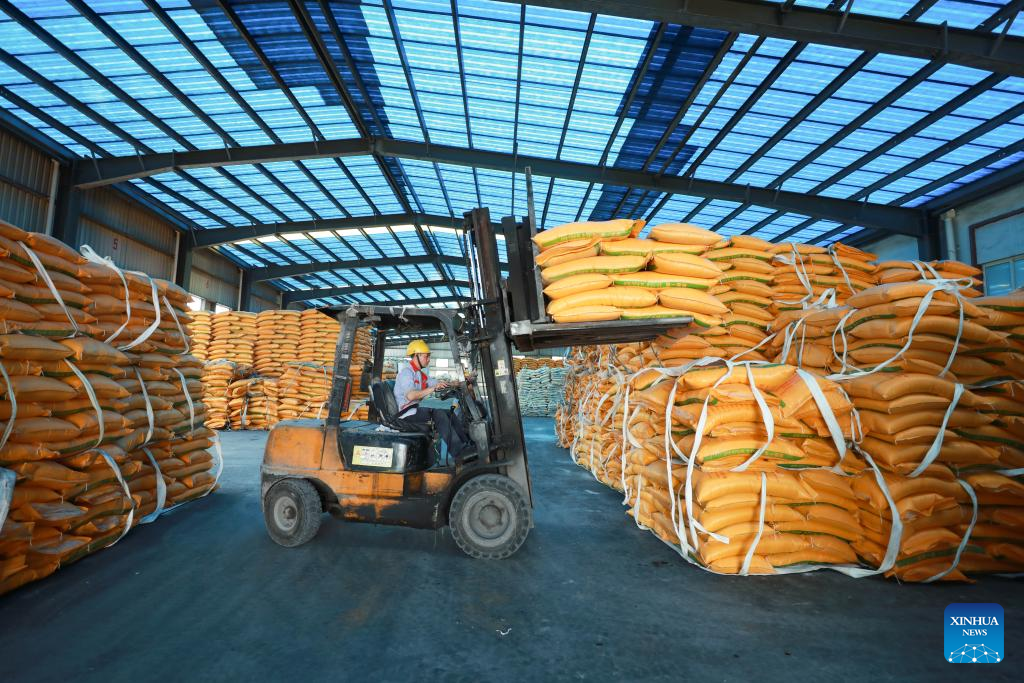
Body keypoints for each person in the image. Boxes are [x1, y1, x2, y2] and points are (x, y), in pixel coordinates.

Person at [393, 340, 470, 457]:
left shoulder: (420, 374)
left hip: (415, 410)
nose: (428, 359)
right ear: (416, 356)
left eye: (429, 356)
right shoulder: (406, 373)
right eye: (426, 356)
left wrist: (458, 383)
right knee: (439, 414)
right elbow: (411, 395)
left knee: (448, 412)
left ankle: (466, 445)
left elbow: (438, 383)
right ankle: (458, 453)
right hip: (406, 413)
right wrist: (433, 388)